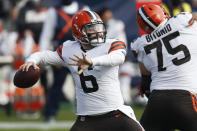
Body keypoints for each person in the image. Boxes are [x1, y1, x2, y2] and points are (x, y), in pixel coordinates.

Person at [20, 10, 144, 131]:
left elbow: (118, 58)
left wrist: (92, 62)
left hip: (116, 115)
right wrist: (31, 60)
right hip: (87, 119)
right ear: (78, 31)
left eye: (98, 27)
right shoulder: (69, 49)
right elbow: (44, 56)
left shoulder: (111, 44)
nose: (97, 32)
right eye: (91, 28)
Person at [131, 3, 197, 131]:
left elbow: (145, 81)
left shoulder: (140, 44)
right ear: (162, 13)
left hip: (156, 102)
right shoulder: (180, 20)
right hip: (184, 98)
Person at [39, 0, 89, 122]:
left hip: (80, 55)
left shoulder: (84, 9)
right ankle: (50, 114)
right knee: (56, 86)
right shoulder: (53, 11)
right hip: (61, 55)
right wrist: (43, 57)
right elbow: (46, 35)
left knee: (84, 85)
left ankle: (88, 114)